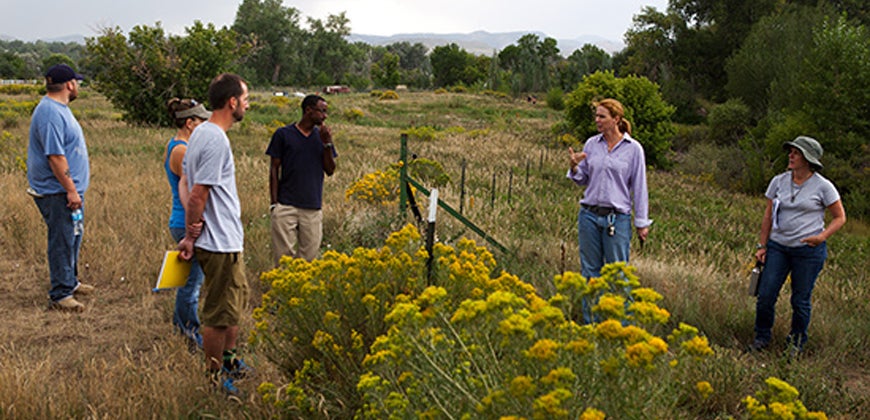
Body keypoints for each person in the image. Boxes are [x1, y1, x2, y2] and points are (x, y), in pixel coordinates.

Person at [177, 74, 251, 395]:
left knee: (232, 306)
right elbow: (196, 194)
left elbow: (185, 182)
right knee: (218, 315)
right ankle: (214, 377)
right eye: (245, 98)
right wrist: (191, 235)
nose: (248, 104)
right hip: (219, 243)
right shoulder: (215, 138)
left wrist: (193, 232)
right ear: (232, 102)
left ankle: (231, 359)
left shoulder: (201, 133)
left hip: (226, 239)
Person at [750, 136, 846, 355]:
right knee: (765, 295)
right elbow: (768, 215)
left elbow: (840, 217)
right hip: (778, 247)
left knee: (800, 300)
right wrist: (762, 245)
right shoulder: (779, 181)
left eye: (796, 153)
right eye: (791, 152)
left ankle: (796, 344)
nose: (791, 156)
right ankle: (762, 338)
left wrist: (821, 237)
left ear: (808, 159)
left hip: (808, 252)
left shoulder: (823, 186)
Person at [566, 98, 651, 322]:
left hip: (617, 219)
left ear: (616, 119)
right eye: (596, 116)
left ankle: (621, 327)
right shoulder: (591, 145)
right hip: (589, 216)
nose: (597, 120)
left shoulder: (633, 150)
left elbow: (640, 187)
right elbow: (583, 179)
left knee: (618, 275)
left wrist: (641, 222)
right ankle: (591, 325)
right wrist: (574, 166)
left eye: (602, 116)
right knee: (590, 274)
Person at [26, 64, 95, 312]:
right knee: (62, 239)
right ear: (69, 85)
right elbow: (55, 156)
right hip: (57, 191)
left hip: (67, 190)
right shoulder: (50, 113)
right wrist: (71, 189)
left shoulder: (59, 109)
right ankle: (61, 294)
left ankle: (71, 281)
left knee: (73, 236)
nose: (77, 86)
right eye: (77, 82)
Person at [266, 94, 337, 266]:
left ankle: (300, 292)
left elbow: (330, 170)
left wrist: (327, 144)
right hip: (286, 206)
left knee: (309, 260)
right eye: (322, 111)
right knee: (284, 260)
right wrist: (274, 204)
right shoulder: (283, 134)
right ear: (308, 110)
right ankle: (283, 292)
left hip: (312, 207)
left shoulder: (322, 137)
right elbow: (274, 168)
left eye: (326, 112)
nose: (325, 116)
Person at [164, 98, 211, 350]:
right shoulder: (181, 150)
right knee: (191, 284)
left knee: (190, 281)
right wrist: (194, 226)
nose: (206, 124)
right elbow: (191, 192)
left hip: (184, 220)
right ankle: (188, 334)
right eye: (202, 120)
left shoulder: (179, 145)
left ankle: (182, 327)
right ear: (190, 123)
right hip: (186, 222)